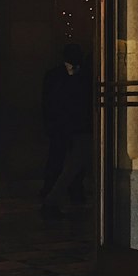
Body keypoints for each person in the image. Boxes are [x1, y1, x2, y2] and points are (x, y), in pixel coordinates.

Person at [41, 43, 93, 218]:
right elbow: (49, 103)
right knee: (62, 162)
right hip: (62, 126)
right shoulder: (55, 75)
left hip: (78, 126)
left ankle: (67, 196)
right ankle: (52, 198)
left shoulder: (84, 75)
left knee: (74, 164)